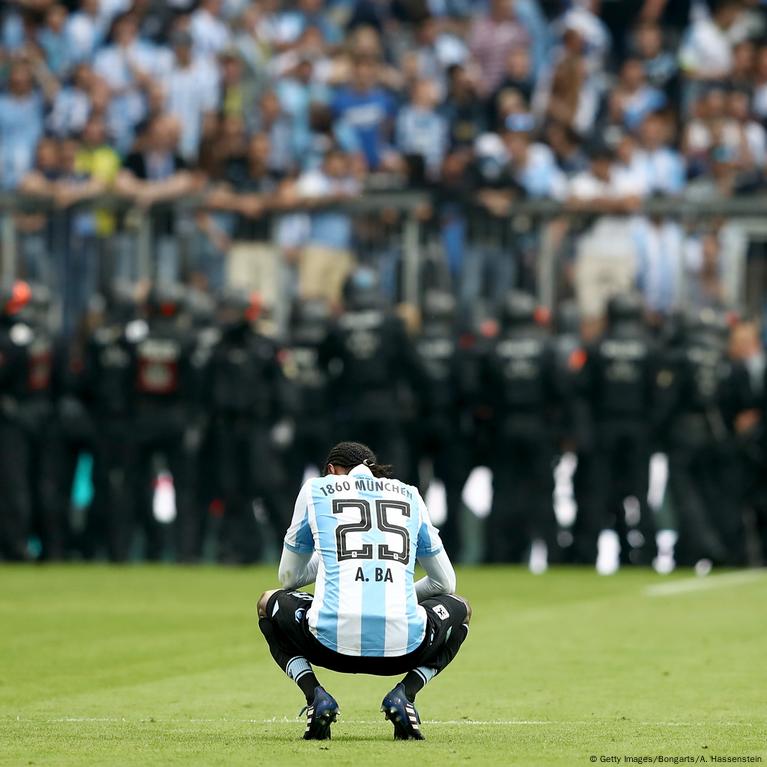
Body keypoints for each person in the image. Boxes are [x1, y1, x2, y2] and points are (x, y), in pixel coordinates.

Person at [257, 441, 471, 741]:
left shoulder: (315, 489)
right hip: (404, 649)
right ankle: (405, 694)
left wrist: (335, 563)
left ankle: (315, 696)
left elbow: (289, 577)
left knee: (267, 601)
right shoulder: (410, 494)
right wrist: (396, 591)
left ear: (331, 470)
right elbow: (445, 584)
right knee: (461, 607)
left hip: (327, 644)